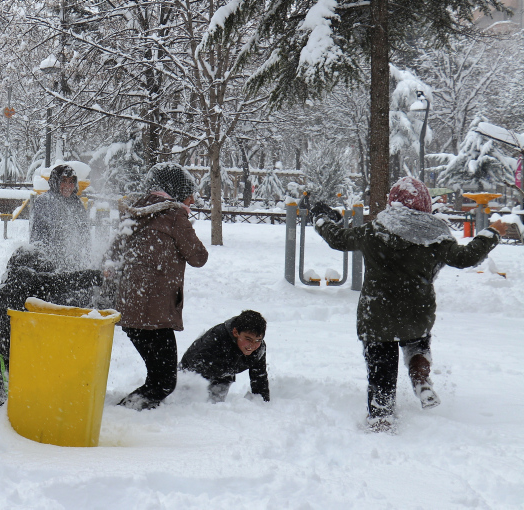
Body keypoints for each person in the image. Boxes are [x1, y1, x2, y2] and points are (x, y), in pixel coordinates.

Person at [310, 176, 507, 433]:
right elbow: (466, 257)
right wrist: (491, 233)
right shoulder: (436, 236)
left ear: (393, 203)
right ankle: (420, 376)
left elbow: (337, 239)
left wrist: (322, 220)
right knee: (416, 344)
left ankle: (381, 416)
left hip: (377, 314)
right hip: (416, 313)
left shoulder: (374, 231)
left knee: (382, 366)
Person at [104, 162, 208, 411]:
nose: (191, 199)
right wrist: (182, 218)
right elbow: (198, 257)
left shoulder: (135, 211)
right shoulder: (173, 216)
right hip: (156, 315)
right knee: (163, 382)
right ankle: (123, 414)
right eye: (188, 192)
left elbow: (111, 256)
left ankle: (133, 413)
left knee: (157, 377)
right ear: (175, 189)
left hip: (130, 311)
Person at [0, 245, 102, 415]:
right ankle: (7, 408)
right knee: (15, 359)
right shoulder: (31, 279)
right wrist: (97, 276)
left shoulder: (10, 282)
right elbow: (63, 281)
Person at [179, 310, 269, 403]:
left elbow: (259, 377)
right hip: (192, 374)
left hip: (224, 376)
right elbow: (196, 370)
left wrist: (263, 403)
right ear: (235, 332)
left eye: (258, 340)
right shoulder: (215, 340)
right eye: (248, 339)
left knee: (216, 406)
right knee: (194, 404)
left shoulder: (258, 349)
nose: (252, 345)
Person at [30, 164, 91, 271]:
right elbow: (38, 238)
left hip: (74, 264)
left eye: (71, 181)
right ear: (55, 182)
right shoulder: (45, 202)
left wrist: (83, 258)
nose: (68, 186)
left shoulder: (76, 203)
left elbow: (84, 234)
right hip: (50, 266)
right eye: (64, 181)